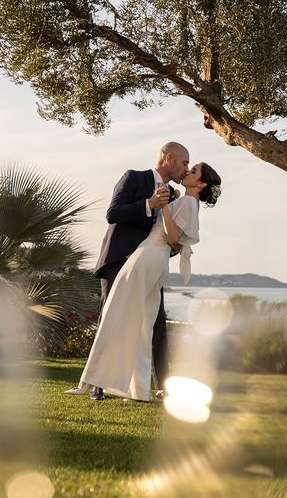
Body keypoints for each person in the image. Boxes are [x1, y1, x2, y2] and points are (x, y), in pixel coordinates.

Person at [68, 162, 222, 401]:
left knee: (114, 313)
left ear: (201, 184)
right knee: (143, 325)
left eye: (193, 171)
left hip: (149, 256)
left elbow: (174, 240)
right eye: (187, 166)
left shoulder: (189, 203)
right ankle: (137, 390)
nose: (187, 171)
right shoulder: (186, 201)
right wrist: (167, 204)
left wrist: (165, 207)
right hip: (153, 258)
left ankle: (89, 382)